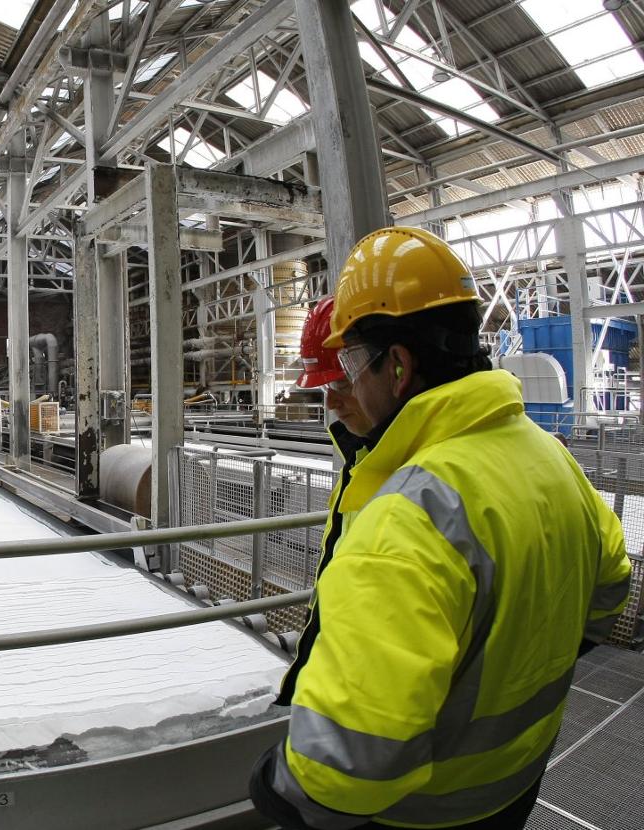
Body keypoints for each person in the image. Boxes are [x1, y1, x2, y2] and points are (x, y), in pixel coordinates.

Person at [250, 226, 632, 830]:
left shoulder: (410, 517)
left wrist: (277, 785)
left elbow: (342, 773)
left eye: (351, 364)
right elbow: (613, 586)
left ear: (397, 366)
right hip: (519, 782)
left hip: (422, 812)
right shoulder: (551, 457)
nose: (342, 391)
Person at [275, 296, 370, 707]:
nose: (330, 403)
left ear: (399, 367)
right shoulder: (548, 460)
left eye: (341, 384)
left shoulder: (414, 499)